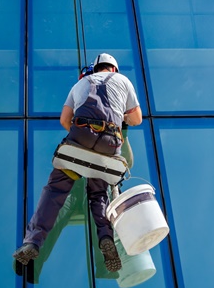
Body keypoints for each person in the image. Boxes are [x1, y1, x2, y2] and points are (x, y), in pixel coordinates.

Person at [13, 53, 143, 273]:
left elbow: (65, 119)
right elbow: (137, 118)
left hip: (80, 135)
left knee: (55, 190)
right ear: (113, 69)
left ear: (97, 68)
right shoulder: (124, 81)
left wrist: (81, 143)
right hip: (110, 142)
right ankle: (105, 238)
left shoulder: (81, 83)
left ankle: (33, 242)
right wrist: (122, 116)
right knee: (99, 194)